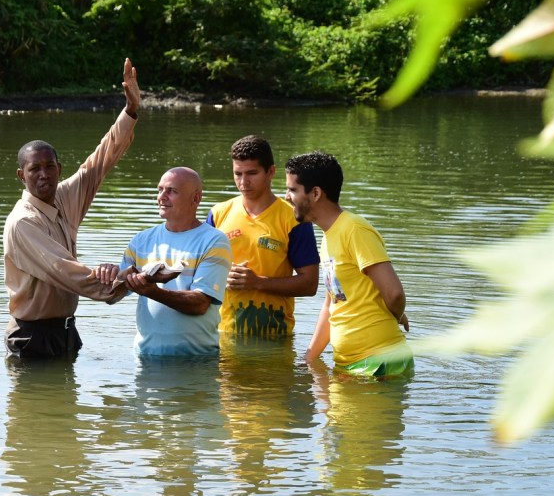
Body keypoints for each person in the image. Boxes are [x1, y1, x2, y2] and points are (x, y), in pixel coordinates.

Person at [3, 57, 140, 360]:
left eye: (49, 167)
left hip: (66, 332)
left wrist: (130, 110)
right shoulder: (23, 222)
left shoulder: (64, 197)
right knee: (36, 408)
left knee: (64, 407)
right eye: (34, 169)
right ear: (21, 175)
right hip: (32, 337)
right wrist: (124, 281)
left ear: (58, 169)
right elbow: (65, 271)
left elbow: (99, 163)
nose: (43, 175)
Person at [284, 151, 412, 377]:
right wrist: (309, 360)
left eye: (292, 189)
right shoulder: (328, 237)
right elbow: (332, 305)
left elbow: (394, 294)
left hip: (378, 365)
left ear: (315, 193)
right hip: (351, 367)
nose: (286, 196)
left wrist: (395, 313)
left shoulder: (354, 229)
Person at [106, 167, 232, 356]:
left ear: (196, 199)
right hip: (146, 359)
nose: (161, 197)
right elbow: (113, 296)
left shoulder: (214, 241)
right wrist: (110, 275)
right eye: (160, 190)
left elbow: (200, 303)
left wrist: (153, 291)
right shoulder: (141, 241)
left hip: (196, 361)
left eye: (171, 191)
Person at [206, 135, 319, 338]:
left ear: (271, 172)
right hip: (221, 335)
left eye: (252, 173)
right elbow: (201, 273)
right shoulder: (217, 213)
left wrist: (258, 282)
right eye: (237, 173)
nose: (243, 182)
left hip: (275, 338)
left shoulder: (294, 218)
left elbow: (310, 284)